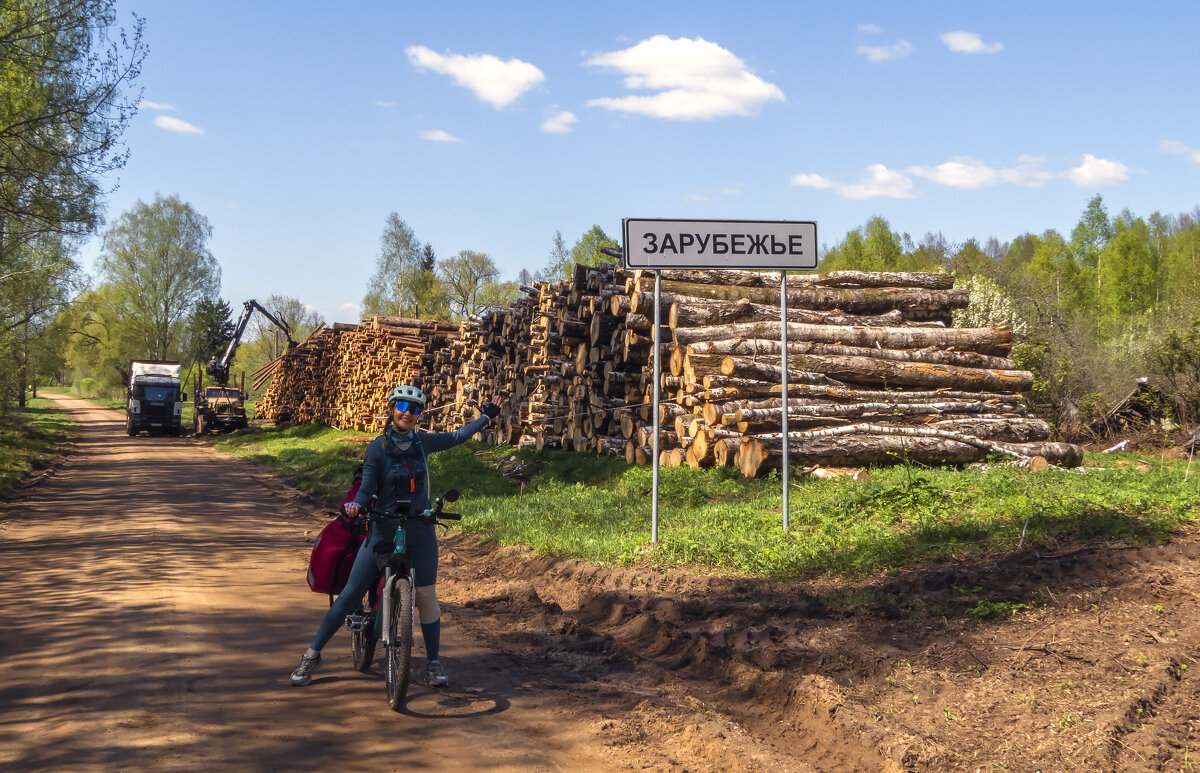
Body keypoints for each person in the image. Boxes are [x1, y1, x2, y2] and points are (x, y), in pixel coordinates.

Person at [290, 385, 503, 688]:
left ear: (418, 416)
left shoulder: (423, 443)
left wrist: (486, 418)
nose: (407, 413)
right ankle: (312, 655)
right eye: (402, 406)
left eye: (414, 409)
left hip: (420, 530)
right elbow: (366, 487)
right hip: (382, 529)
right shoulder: (377, 447)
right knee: (351, 593)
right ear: (391, 409)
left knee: (427, 597)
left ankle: (433, 663)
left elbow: (457, 437)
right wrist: (356, 505)